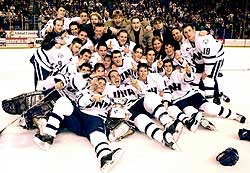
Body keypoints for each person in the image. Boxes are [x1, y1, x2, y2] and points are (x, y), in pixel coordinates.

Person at [163, 58, 246, 129]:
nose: (168, 68)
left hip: (191, 94)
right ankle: (202, 121)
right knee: (190, 111)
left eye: (169, 66)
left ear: (172, 67)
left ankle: (234, 115)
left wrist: (188, 72)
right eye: (166, 66)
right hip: (178, 100)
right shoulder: (162, 79)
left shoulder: (177, 74)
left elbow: (187, 78)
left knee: (209, 108)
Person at [106, 70, 180, 150]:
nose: (116, 78)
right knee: (141, 119)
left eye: (117, 75)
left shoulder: (129, 85)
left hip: (137, 103)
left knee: (150, 95)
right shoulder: (107, 87)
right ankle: (163, 138)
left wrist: (138, 87)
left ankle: (168, 123)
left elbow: (143, 95)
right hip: (127, 110)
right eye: (113, 76)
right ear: (109, 80)